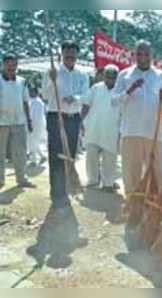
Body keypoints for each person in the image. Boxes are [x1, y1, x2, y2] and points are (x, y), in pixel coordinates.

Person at [112, 40, 162, 196]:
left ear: (152, 56)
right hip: (131, 131)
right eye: (139, 54)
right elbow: (114, 101)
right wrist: (129, 90)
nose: (143, 57)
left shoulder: (161, 75)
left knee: (157, 170)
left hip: (153, 132)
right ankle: (132, 203)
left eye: (146, 54)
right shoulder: (125, 75)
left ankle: (155, 205)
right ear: (133, 55)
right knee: (131, 170)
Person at [42, 41, 90, 211]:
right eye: (67, 52)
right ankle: (57, 193)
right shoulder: (51, 71)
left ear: (77, 55)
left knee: (69, 155)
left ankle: (66, 189)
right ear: (62, 54)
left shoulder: (82, 75)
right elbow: (45, 95)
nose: (70, 56)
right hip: (56, 117)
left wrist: (75, 98)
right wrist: (51, 81)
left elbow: (86, 96)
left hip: (73, 119)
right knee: (56, 155)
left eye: (73, 53)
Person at [82, 65, 121, 193]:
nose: (110, 80)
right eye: (108, 76)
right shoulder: (95, 88)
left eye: (113, 77)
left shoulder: (121, 91)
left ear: (117, 77)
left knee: (110, 157)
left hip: (112, 129)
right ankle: (93, 181)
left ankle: (108, 183)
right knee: (91, 156)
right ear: (103, 76)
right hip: (94, 127)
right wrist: (80, 121)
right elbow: (86, 104)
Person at [0, 54, 35, 190]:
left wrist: (29, 120)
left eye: (14, 65)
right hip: (1, 122)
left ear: (16, 66)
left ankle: (22, 179)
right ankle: (0, 180)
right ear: (3, 65)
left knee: (20, 151)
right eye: (8, 64)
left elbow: (25, 101)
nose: (11, 67)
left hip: (19, 121)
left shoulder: (22, 81)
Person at [27, 86, 47, 166]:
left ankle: (34, 161)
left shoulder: (38, 102)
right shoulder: (30, 100)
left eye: (32, 91)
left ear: (36, 92)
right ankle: (42, 156)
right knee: (33, 142)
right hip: (31, 124)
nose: (30, 93)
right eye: (30, 91)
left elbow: (36, 116)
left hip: (36, 125)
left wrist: (31, 124)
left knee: (33, 142)